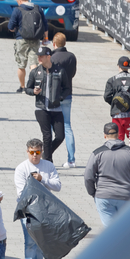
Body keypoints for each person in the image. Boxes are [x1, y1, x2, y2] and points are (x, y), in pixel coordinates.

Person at [14, 138, 61, 259]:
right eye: (32, 152)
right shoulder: (21, 168)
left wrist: (42, 179)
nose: (35, 155)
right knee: (30, 241)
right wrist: (34, 183)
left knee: (40, 242)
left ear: (41, 152)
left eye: (38, 152)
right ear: (27, 152)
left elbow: (57, 186)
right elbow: (21, 192)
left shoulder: (48, 166)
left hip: (45, 209)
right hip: (28, 210)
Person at [84, 122, 130, 227]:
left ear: (104, 135)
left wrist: (94, 193)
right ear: (118, 134)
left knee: (110, 230)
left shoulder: (97, 153)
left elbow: (88, 177)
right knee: (125, 228)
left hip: (104, 196)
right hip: (126, 195)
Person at [25, 46, 71, 164]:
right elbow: (27, 88)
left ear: (48, 57)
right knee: (47, 136)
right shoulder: (35, 72)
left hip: (56, 108)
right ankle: (48, 162)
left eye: (41, 56)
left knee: (60, 136)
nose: (39, 58)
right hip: (41, 109)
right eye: (38, 56)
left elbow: (67, 88)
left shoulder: (60, 70)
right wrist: (33, 92)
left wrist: (61, 97)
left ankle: (46, 152)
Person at [8, 0, 46, 92]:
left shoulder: (17, 10)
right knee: (34, 63)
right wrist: (45, 38)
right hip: (35, 39)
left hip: (21, 40)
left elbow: (10, 27)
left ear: (19, 0)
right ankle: (34, 86)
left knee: (21, 65)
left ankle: (22, 87)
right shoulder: (37, 8)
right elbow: (45, 25)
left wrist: (16, 29)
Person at [50, 33, 78, 168]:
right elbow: (73, 73)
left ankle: (48, 155)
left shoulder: (52, 57)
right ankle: (71, 159)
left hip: (53, 95)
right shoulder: (71, 56)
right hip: (67, 94)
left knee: (49, 126)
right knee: (67, 126)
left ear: (54, 44)